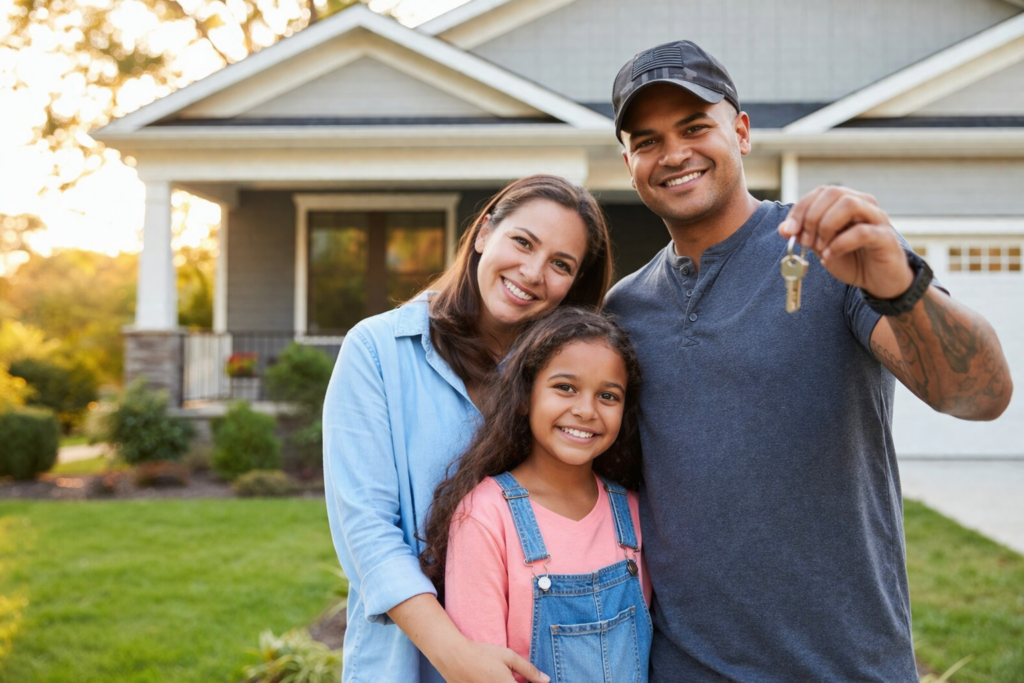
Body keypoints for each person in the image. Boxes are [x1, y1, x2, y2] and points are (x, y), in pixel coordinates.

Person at [603, 40, 1013, 682]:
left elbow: (978, 396)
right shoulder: (624, 310)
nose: (674, 153)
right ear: (626, 160)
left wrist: (900, 285)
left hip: (844, 668)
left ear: (740, 132)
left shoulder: (832, 251)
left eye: (693, 127)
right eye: (647, 140)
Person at [323, 175, 614, 683]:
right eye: (523, 242)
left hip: (541, 663)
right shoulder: (377, 350)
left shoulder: (561, 383)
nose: (532, 272)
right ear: (484, 233)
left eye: (560, 264)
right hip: (407, 665)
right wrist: (456, 656)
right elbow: (367, 531)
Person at [419, 306, 651, 683]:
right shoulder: (486, 516)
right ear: (526, 395)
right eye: (565, 388)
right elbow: (480, 669)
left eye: (608, 396)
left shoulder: (632, 510)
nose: (586, 410)